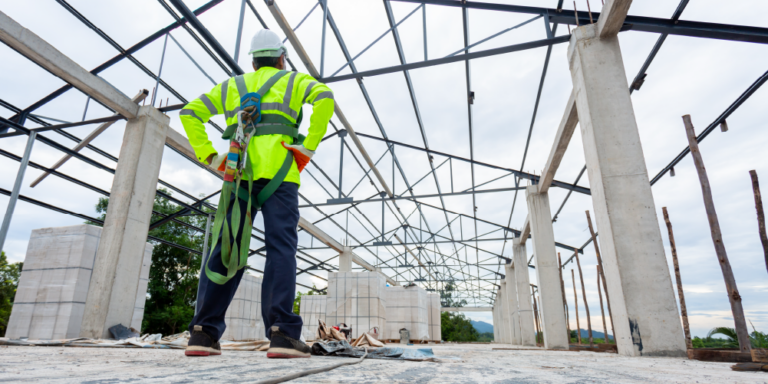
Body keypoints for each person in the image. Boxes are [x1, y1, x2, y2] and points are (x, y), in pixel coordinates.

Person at [178, 29, 333, 358]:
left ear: (252, 60)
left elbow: (190, 112)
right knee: (281, 250)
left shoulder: (233, 87)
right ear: (281, 58)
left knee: (226, 247)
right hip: (281, 177)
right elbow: (325, 98)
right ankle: (282, 335)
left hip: (238, 176)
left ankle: (203, 333)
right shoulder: (294, 81)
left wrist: (210, 155)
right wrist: (308, 146)